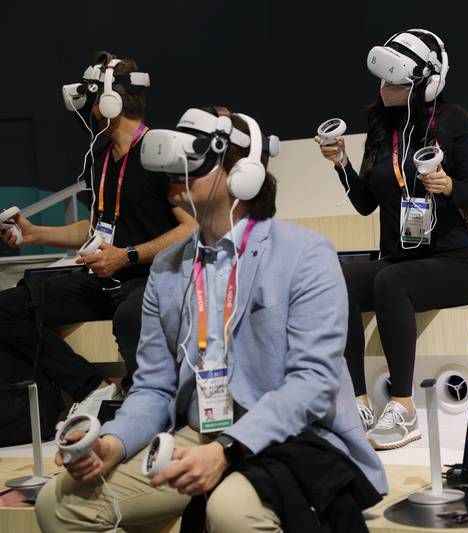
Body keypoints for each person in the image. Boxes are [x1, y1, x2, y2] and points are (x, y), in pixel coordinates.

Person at [35, 107, 387, 532]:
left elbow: (313, 382)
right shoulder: (166, 270)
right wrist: (114, 441)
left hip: (294, 435)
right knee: (58, 503)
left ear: (243, 175)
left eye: (194, 161)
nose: (174, 171)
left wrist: (225, 449)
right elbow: (152, 388)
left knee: (231, 509)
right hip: (200, 433)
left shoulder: (306, 254)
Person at [0, 51, 195, 417]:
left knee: (129, 317)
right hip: (104, 278)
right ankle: (93, 388)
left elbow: (191, 228)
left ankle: (147, 405)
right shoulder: (101, 155)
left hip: (151, 280)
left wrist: (127, 255)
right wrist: (32, 232)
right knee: (10, 309)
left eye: (92, 103)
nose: (88, 112)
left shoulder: (159, 153)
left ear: (109, 103)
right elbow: (95, 226)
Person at [316, 29, 468, 450]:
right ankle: (356, 401)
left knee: (391, 282)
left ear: (426, 82)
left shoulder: (454, 120)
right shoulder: (379, 123)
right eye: (384, 81)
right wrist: (341, 163)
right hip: (401, 258)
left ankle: (404, 407)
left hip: (456, 262)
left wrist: (447, 186)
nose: (385, 89)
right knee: (338, 277)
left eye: (396, 83)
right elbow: (364, 204)